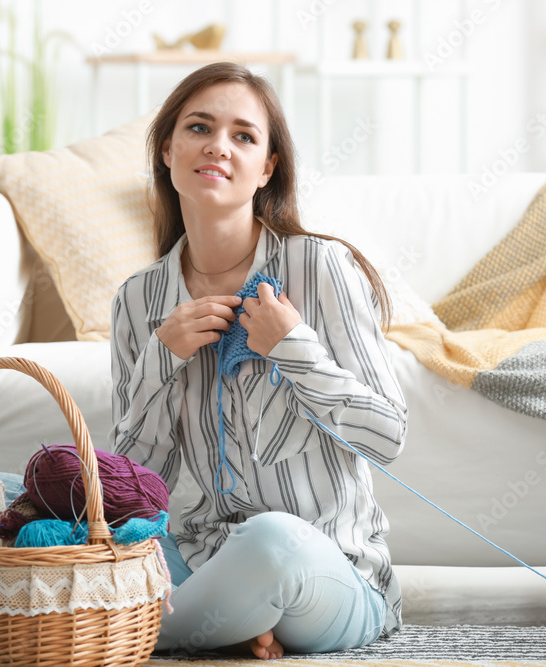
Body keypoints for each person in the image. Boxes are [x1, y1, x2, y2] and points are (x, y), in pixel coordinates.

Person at [109, 62, 407, 660]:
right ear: (168, 149)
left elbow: (389, 434)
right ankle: (233, 621)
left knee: (272, 542)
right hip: (201, 560)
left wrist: (294, 346)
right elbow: (133, 493)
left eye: (244, 136)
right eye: (199, 127)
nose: (219, 145)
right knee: (38, 500)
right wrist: (158, 363)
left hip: (327, 569)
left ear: (267, 167)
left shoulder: (319, 268)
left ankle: (117, 631)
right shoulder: (138, 300)